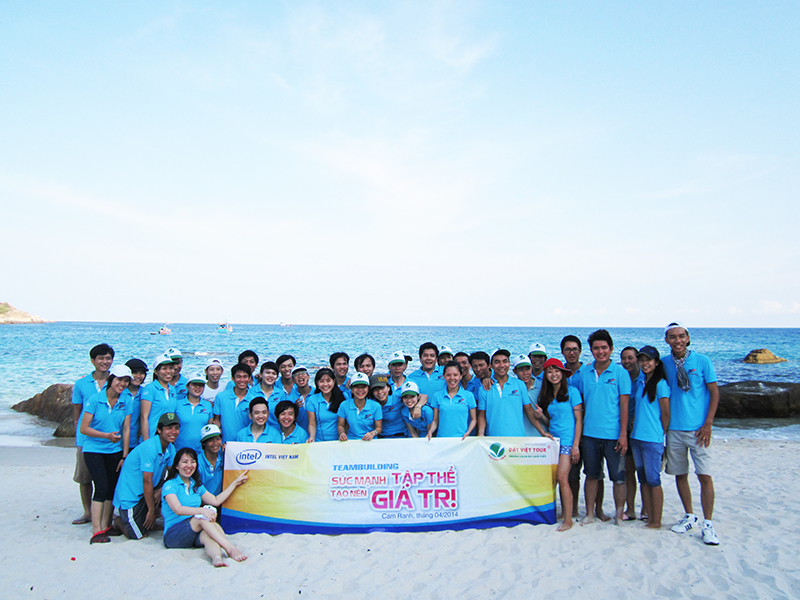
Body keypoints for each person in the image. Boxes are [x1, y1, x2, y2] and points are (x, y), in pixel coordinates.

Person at [662, 322, 720, 545]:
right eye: (672, 336)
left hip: (698, 429)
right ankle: (689, 515)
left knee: (704, 475)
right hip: (674, 429)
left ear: (687, 338)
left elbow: (714, 393)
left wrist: (708, 423)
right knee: (680, 474)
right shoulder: (664, 363)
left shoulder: (702, 361)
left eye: (681, 336)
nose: (677, 340)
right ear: (667, 340)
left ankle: (708, 523)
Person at [571, 330, 631, 525]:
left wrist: (623, 435)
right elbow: (580, 404)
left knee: (618, 477)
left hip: (613, 435)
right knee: (591, 475)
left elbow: (624, 406)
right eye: (596, 348)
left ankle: (619, 515)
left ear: (611, 349)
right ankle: (590, 513)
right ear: (591, 350)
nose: (600, 351)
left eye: (604, 347)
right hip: (589, 434)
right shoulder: (584, 373)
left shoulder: (621, 373)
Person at [161, 448, 248, 567]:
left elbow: (215, 501)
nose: (189, 465)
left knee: (210, 533)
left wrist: (235, 483)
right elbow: (178, 509)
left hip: (192, 534)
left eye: (192, 462)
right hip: (174, 535)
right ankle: (230, 549)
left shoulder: (195, 485)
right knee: (202, 518)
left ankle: (216, 558)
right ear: (176, 465)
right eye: (185, 462)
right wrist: (202, 510)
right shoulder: (170, 485)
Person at [80, 363, 132, 543]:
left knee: (111, 488)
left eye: (126, 381)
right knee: (101, 487)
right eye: (119, 380)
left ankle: (105, 525)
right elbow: (84, 428)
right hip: (93, 449)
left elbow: (126, 429)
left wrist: (125, 455)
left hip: (115, 451)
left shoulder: (126, 400)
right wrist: (106, 436)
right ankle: (96, 530)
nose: (122, 384)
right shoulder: (95, 400)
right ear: (111, 379)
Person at [113, 412, 180, 540]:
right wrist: (151, 510)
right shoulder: (150, 448)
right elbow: (147, 480)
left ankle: (150, 517)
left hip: (147, 492)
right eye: (169, 428)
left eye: (176, 428)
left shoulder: (170, 448)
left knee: (173, 483)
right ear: (159, 430)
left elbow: (172, 473)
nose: (173, 431)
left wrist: (161, 490)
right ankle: (118, 521)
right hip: (131, 495)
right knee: (137, 535)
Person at [536, 358, 582, 532]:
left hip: (568, 442)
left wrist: (575, 445)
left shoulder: (572, 392)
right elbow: (551, 422)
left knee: (563, 478)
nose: (553, 374)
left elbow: (578, 421)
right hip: (553, 442)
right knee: (554, 480)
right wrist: (541, 416)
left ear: (562, 373)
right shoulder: (547, 396)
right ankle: (563, 513)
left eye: (556, 371)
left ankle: (568, 520)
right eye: (549, 371)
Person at [71, 343, 114, 525]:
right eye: (101, 358)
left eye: (108, 358)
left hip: (111, 439)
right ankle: (87, 512)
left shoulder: (116, 381)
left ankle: (105, 513)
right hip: (86, 438)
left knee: (107, 478)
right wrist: (79, 436)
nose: (105, 361)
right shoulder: (81, 384)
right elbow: (77, 412)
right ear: (92, 361)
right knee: (85, 477)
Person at [631, 346, 671, 530]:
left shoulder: (661, 384)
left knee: (654, 479)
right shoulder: (641, 382)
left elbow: (666, 414)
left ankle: (656, 520)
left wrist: (660, 434)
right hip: (636, 437)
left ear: (656, 362)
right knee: (643, 479)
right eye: (642, 360)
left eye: (648, 360)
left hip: (652, 439)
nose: (645, 363)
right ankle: (647, 514)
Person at [477, 349, 546, 437]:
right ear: (491, 365)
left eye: (505, 361)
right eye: (497, 362)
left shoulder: (520, 384)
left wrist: (542, 432)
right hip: (494, 439)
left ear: (509, 364)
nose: (502, 365)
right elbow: (482, 415)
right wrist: (481, 433)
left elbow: (529, 410)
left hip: (518, 439)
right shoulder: (484, 388)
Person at [561, 334, 592, 517]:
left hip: (587, 428)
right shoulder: (559, 372)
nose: (571, 353)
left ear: (580, 351)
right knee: (570, 473)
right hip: (566, 431)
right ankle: (571, 509)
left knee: (592, 472)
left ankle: (594, 510)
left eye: (574, 349)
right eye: (568, 349)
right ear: (562, 352)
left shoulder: (588, 372)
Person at [620, 346, 644, 521]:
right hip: (626, 430)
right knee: (629, 471)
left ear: (637, 359)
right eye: (624, 358)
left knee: (644, 472)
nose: (627, 361)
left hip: (643, 430)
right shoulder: (622, 377)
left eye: (630, 358)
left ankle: (647, 508)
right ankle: (630, 509)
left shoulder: (646, 378)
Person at [430, 361, 477, 439]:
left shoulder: (469, 396)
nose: (452, 378)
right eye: (448, 375)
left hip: (461, 439)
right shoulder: (437, 396)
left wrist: (468, 432)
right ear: (444, 376)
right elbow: (435, 421)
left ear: (460, 376)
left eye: (455, 375)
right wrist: (430, 432)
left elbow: (473, 419)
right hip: (442, 439)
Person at [140, 353, 177, 441]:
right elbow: (144, 417)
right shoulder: (150, 389)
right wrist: (146, 442)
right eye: (164, 369)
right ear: (156, 372)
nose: (168, 371)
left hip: (167, 439)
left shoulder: (172, 389)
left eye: (171, 368)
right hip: (152, 438)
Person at [213, 363, 253, 443]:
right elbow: (217, 420)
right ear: (232, 378)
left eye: (245, 376)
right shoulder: (221, 397)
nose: (242, 380)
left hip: (246, 444)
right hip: (225, 443)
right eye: (238, 377)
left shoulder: (253, 400)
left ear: (249, 378)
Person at [174, 371, 213, 452]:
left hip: (201, 451)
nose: (198, 387)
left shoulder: (208, 405)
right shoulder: (177, 404)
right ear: (187, 386)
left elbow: (210, 427)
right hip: (180, 450)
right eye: (194, 384)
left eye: (201, 385)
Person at [337, 372, 383, 441]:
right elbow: (340, 425)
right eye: (357, 387)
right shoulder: (344, 405)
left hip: (370, 441)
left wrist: (373, 433)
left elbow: (379, 427)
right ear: (351, 389)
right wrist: (342, 433)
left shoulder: (376, 406)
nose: (360, 390)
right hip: (351, 440)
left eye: (363, 387)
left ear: (368, 388)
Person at [306, 368, 347, 442]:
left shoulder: (343, 397)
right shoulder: (312, 400)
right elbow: (312, 424)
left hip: (339, 441)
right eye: (321, 381)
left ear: (334, 382)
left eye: (328, 381)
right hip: (319, 441)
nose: (325, 384)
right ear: (317, 383)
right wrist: (312, 437)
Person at [513, 354, 545, 437]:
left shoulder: (542, 386)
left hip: (540, 435)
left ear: (532, 368)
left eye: (527, 369)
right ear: (515, 371)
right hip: (520, 435)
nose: (525, 373)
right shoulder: (512, 387)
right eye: (521, 370)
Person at [249, 361, 289, 429]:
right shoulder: (251, 392)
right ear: (261, 374)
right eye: (267, 373)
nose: (270, 376)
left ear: (277, 377)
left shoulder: (281, 394)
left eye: (274, 374)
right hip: (256, 430)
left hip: (276, 431)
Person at [370, 373, 407, 438]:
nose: (380, 392)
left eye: (382, 388)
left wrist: (418, 406)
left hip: (399, 435)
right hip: (379, 437)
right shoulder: (370, 403)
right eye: (375, 389)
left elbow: (421, 396)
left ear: (388, 388)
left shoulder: (397, 397)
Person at [124, 358, 148, 450]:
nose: (138, 376)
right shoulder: (120, 392)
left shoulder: (145, 393)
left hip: (136, 442)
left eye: (141, 373)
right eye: (134, 372)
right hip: (117, 442)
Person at [197, 424, 224, 495]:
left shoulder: (225, 456)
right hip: (202, 500)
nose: (215, 443)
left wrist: (229, 451)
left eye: (218, 439)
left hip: (222, 499)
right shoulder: (197, 462)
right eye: (210, 440)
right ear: (203, 443)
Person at [287, 365, 312, 430]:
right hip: (300, 433)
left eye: (303, 373)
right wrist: (294, 408)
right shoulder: (290, 398)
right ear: (293, 380)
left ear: (308, 376)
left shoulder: (317, 393)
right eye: (296, 374)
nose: (300, 376)